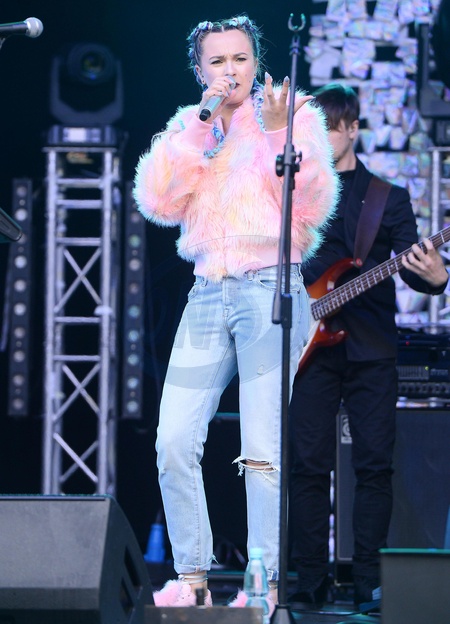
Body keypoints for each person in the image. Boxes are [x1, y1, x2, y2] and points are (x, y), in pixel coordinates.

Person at [133, 15, 339, 608]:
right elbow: (157, 202)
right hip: (206, 293)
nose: (231, 71)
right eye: (218, 61)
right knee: (173, 440)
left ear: (257, 61)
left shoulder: (291, 114)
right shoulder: (190, 125)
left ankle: (262, 587)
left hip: (268, 290)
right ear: (200, 70)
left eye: (241, 59)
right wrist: (199, 128)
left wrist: (276, 136)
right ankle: (192, 580)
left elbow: (312, 207)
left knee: (261, 447)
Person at [288, 83, 449, 610]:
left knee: (374, 467)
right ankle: (309, 583)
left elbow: (416, 268)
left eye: (330, 129)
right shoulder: (295, 193)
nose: (320, 139)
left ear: (353, 129)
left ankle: (368, 584)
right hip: (307, 347)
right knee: (309, 467)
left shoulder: (388, 197)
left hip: (371, 348)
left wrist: (437, 277)